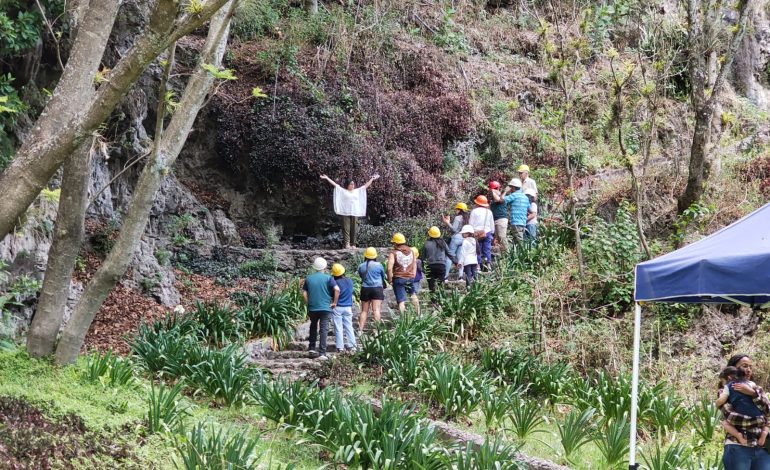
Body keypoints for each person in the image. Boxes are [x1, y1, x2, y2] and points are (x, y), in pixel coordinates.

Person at [718, 354, 770, 470]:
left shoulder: (756, 388)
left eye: (750, 367)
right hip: (738, 446)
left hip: (762, 447)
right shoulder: (724, 391)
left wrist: (752, 393)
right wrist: (762, 420)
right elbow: (732, 418)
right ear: (733, 369)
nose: (748, 370)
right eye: (744, 366)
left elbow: (768, 410)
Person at [320, 173, 380, 249]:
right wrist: (327, 178)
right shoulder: (343, 191)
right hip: (345, 212)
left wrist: (372, 179)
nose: (352, 185)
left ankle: (353, 244)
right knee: (346, 228)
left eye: (353, 184)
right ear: (347, 185)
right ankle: (347, 244)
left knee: (354, 229)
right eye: (351, 184)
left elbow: (365, 186)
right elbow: (335, 185)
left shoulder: (357, 191)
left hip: (354, 212)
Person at [717, 366, 769, 447]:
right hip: (758, 418)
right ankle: (764, 433)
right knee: (766, 422)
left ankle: (738, 435)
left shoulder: (727, 387)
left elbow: (722, 401)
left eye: (723, 381)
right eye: (745, 366)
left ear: (729, 377)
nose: (748, 370)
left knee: (725, 423)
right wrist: (753, 393)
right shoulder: (752, 384)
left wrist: (716, 403)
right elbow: (767, 410)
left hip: (742, 419)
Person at [302, 257, 339, 359]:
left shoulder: (309, 278)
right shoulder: (328, 278)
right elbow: (337, 289)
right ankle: (322, 353)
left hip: (313, 307)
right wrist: (334, 302)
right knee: (323, 329)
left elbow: (304, 293)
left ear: (314, 267)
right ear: (325, 267)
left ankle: (312, 348)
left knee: (313, 326)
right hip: (325, 307)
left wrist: (308, 303)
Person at [386, 233, 417, 314]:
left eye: (393, 243)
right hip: (410, 277)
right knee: (413, 295)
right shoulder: (411, 251)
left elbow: (389, 268)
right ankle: (419, 314)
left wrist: (390, 280)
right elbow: (414, 263)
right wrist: (413, 274)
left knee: (401, 300)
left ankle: (403, 321)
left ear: (396, 243)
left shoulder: (393, 253)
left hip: (399, 278)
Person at [358, 247, 386, 331]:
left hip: (365, 288)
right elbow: (383, 276)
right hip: (377, 288)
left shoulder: (361, 266)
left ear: (365, 255)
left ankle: (360, 330)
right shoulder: (379, 265)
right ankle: (377, 331)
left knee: (364, 311)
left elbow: (361, 276)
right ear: (375, 256)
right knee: (376, 310)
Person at [330, 263, 356, 353]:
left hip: (338, 307)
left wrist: (334, 302)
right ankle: (352, 346)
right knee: (349, 326)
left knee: (338, 327)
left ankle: (340, 347)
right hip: (348, 307)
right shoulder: (350, 281)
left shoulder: (334, 283)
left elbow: (333, 293)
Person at [422, 226, 455, 295]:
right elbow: (449, 253)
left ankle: (433, 301)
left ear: (429, 234)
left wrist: (423, 268)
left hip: (430, 266)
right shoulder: (442, 242)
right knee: (441, 284)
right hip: (441, 265)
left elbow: (423, 257)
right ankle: (442, 300)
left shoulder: (426, 243)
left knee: (431, 285)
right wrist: (456, 262)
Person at [442, 202, 469, 280]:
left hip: (456, 238)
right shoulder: (466, 218)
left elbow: (454, 229)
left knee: (450, 257)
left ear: (459, 210)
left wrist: (447, 222)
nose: (456, 210)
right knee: (460, 257)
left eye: (457, 209)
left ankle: (446, 276)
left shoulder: (458, 218)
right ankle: (460, 276)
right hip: (463, 238)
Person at [468, 195, 494, 270]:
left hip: (476, 233)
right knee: (487, 249)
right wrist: (492, 233)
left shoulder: (474, 211)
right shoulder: (489, 212)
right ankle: (488, 265)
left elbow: (471, 223)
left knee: (477, 250)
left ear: (477, 203)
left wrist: (470, 233)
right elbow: (492, 224)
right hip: (487, 232)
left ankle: (478, 266)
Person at [503, 178, 530, 245]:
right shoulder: (525, 197)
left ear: (513, 187)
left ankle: (524, 255)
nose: (510, 188)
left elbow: (502, 200)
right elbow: (530, 209)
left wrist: (505, 192)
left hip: (515, 222)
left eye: (510, 187)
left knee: (519, 242)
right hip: (523, 222)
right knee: (516, 242)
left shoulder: (514, 195)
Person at [488, 181, 509, 252]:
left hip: (501, 219)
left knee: (502, 237)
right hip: (496, 220)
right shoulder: (493, 200)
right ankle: (503, 254)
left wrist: (493, 191)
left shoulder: (501, 197)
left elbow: (498, 199)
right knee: (498, 239)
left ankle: (507, 252)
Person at [410, 247, 422, 314]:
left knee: (412, 292)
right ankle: (417, 310)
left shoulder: (408, 261)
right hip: (417, 278)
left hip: (410, 278)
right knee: (415, 292)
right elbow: (420, 269)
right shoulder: (418, 261)